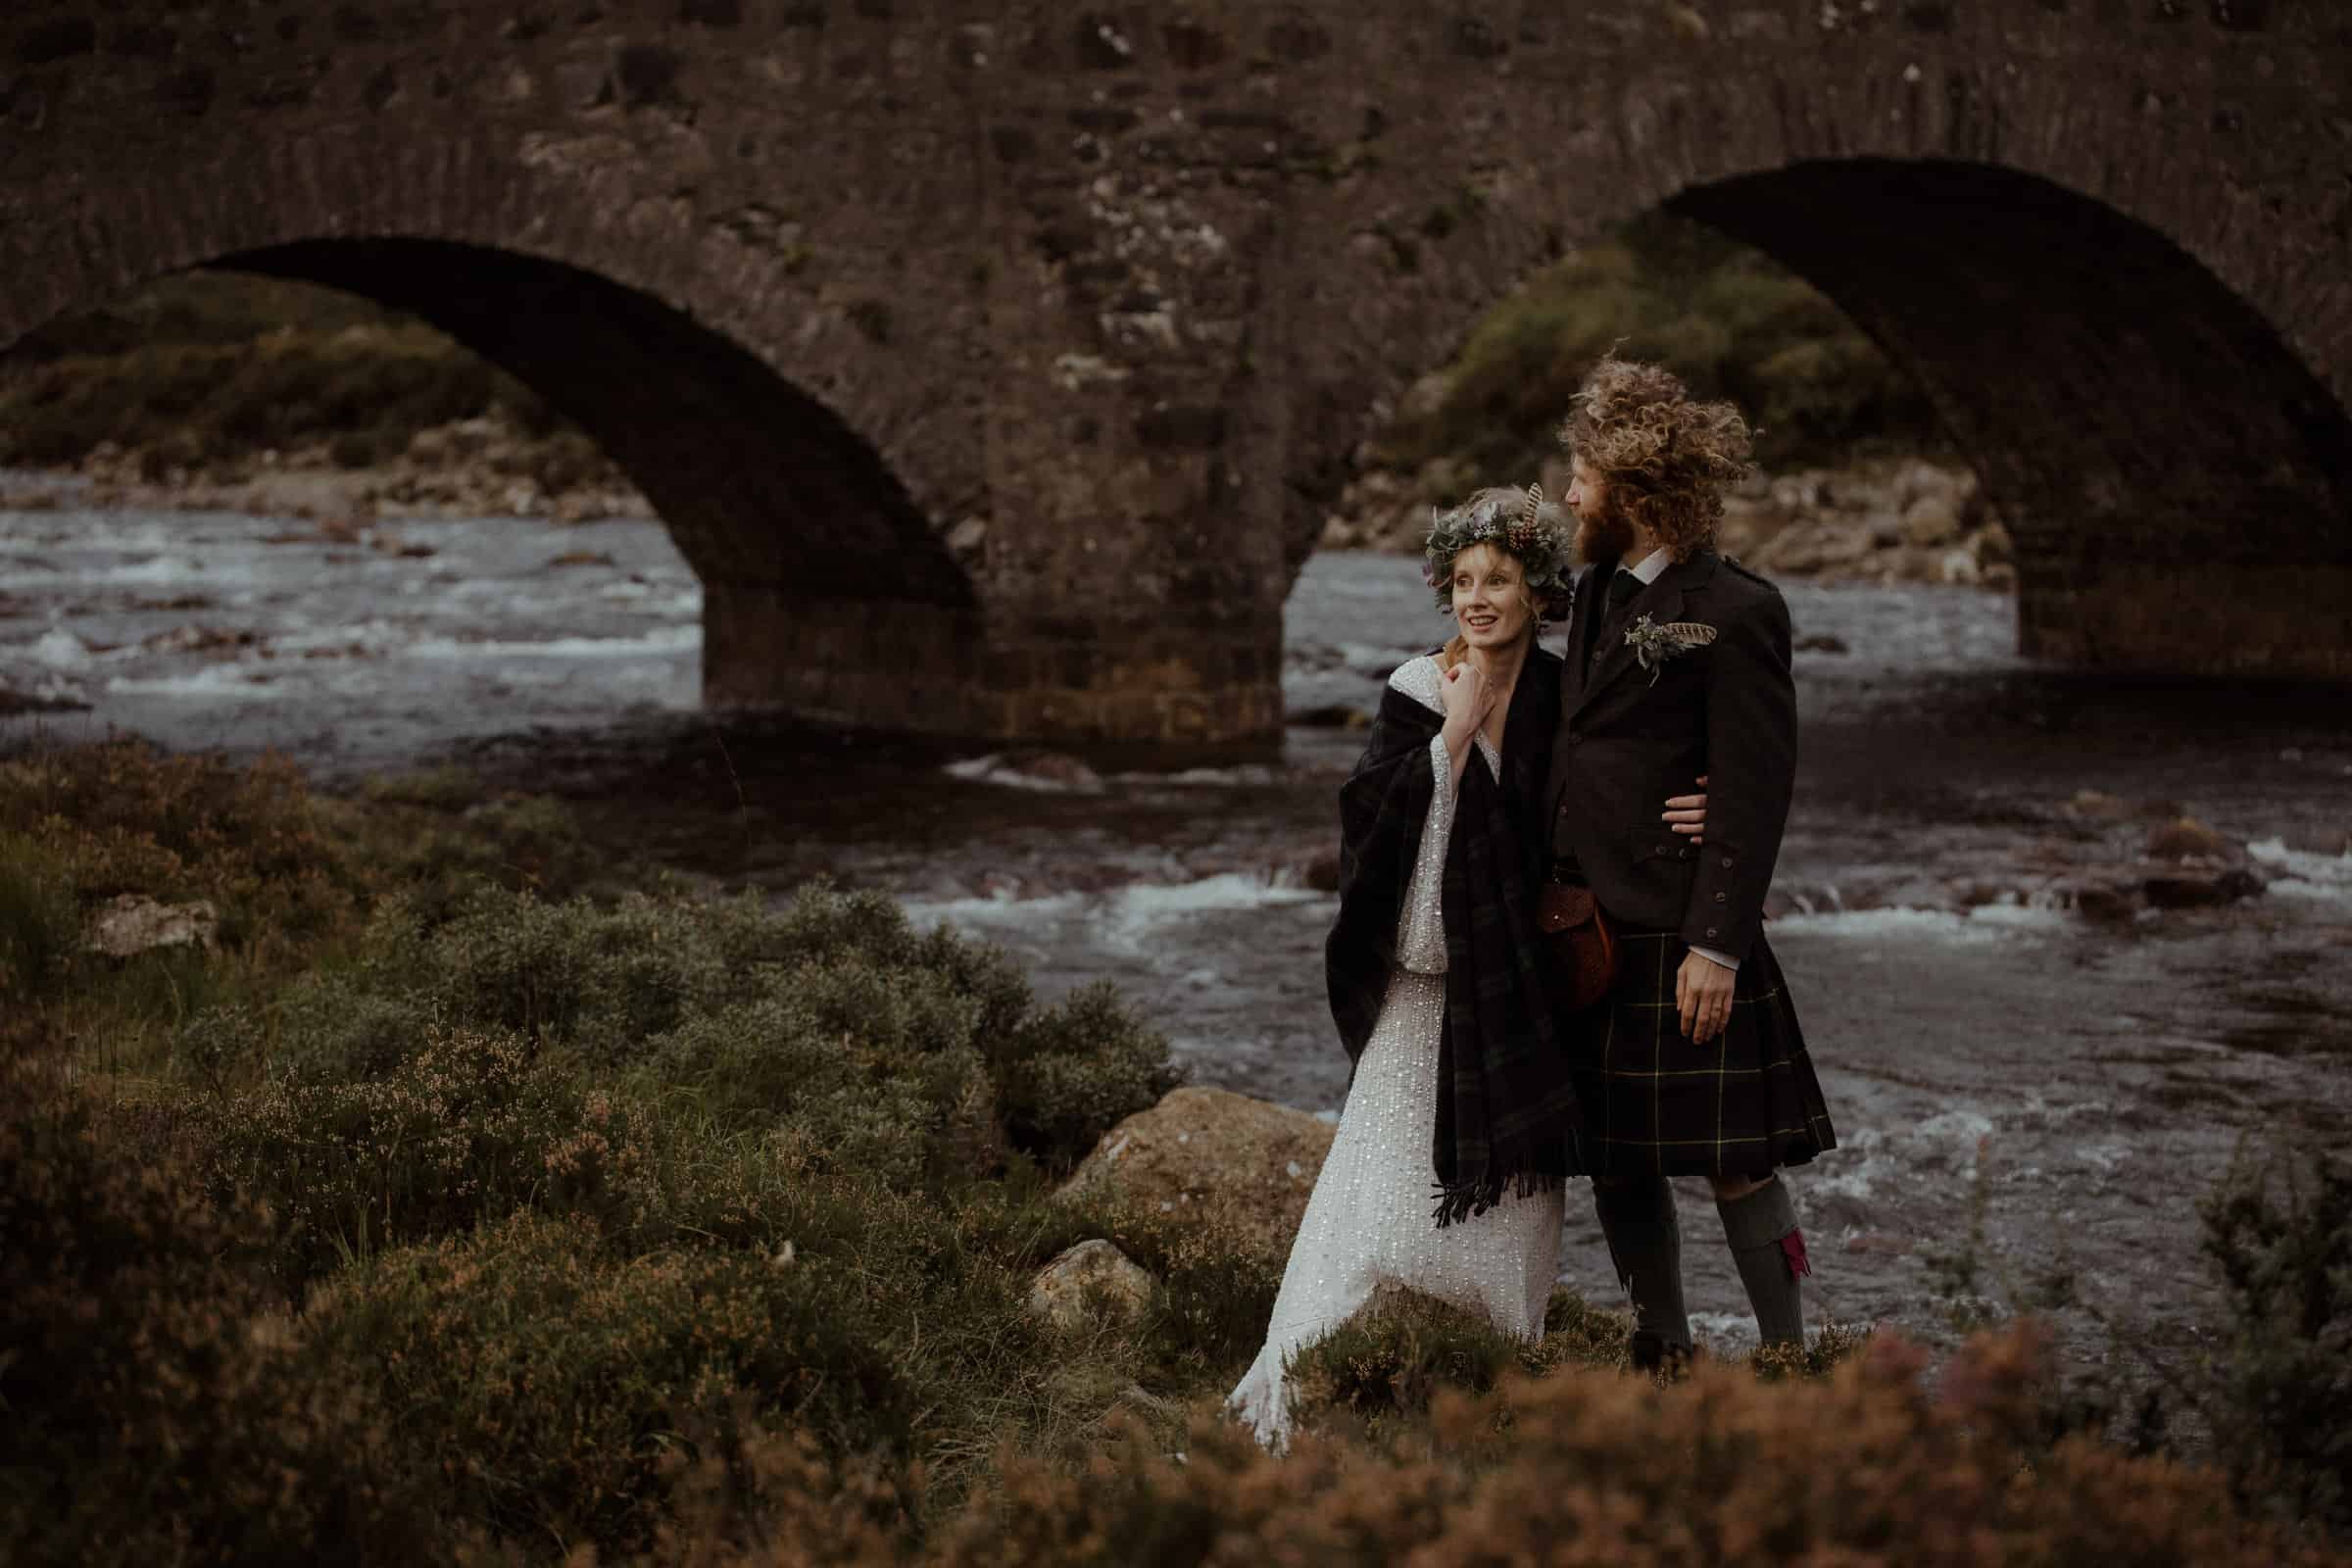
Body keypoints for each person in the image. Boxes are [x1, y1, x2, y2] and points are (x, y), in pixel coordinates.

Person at [1228, 483, 1709, 1450]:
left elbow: (1616, 801)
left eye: (1498, 579)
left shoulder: (1561, 700)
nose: (1479, 598)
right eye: (1463, 581)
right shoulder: (1416, 685)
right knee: (1382, 1204)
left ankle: (1485, 1395)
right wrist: (1448, 739)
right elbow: (1370, 817)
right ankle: (1313, 1391)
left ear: (1537, 587)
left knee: (1506, 1221)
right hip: (1417, 997)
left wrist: (1698, 809)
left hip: (1519, 1005)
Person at [1544, 355, 1838, 1371]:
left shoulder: (1739, 610)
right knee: (1621, 1160)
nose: (1569, 492)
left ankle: (1790, 1358)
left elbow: (1756, 787)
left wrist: (1716, 942)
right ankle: (1659, 1349)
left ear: (1631, 489)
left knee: (1737, 1163)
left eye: (1581, 473)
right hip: (1593, 921)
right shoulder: (1592, 592)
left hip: (1681, 926)